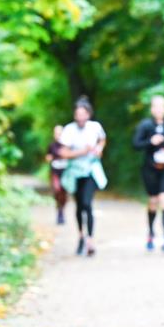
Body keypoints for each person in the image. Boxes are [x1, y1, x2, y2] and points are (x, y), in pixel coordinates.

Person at [132, 95, 164, 253]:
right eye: (156, 106)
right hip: (150, 169)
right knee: (153, 201)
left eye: (162, 106)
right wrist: (150, 141)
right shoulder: (145, 125)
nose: (159, 109)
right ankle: (151, 233)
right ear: (152, 108)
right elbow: (135, 144)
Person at [58, 97, 108, 257]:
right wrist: (82, 152)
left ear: (88, 115)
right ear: (74, 115)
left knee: (87, 204)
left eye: (83, 114)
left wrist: (99, 148)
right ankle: (81, 235)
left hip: (91, 171)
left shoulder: (95, 127)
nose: (80, 117)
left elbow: (102, 139)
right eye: (77, 114)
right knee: (79, 206)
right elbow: (63, 153)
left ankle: (90, 240)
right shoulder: (69, 130)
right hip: (75, 172)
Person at [45, 124, 69, 225]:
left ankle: (62, 211)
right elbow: (47, 157)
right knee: (57, 190)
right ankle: (59, 210)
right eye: (56, 133)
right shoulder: (51, 146)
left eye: (60, 133)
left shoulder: (67, 145)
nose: (58, 135)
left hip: (65, 172)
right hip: (55, 171)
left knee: (63, 193)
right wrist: (49, 158)